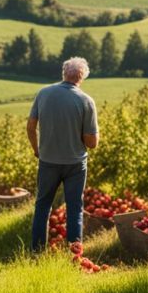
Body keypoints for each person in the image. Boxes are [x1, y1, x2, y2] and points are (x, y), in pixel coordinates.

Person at [27, 57, 99, 251]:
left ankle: (36, 251)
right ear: (82, 77)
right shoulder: (86, 101)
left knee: (42, 206)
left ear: (63, 73)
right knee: (75, 208)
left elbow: (31, 126)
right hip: (75, 164)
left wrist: (37, 150)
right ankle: (74, 254)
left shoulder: (43, 93)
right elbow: (91, 143)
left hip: (48, 160)